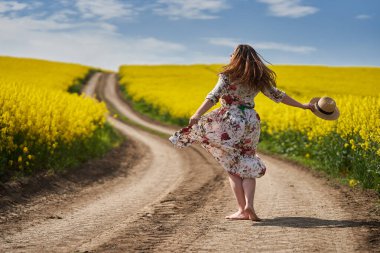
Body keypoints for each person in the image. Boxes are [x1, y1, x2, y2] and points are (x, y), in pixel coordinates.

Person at [168, 44, 315, 221]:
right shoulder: (258, 78)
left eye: (232, 53)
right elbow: (279, 96)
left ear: (237, 57)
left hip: (231, 120)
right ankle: (249, 205)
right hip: (251, 121)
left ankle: (241, 209)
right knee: (247, 160)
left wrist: (198, 113)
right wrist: (303, 105)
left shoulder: (228, 76)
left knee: (232, 166)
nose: (230, 55)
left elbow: (213, 96)